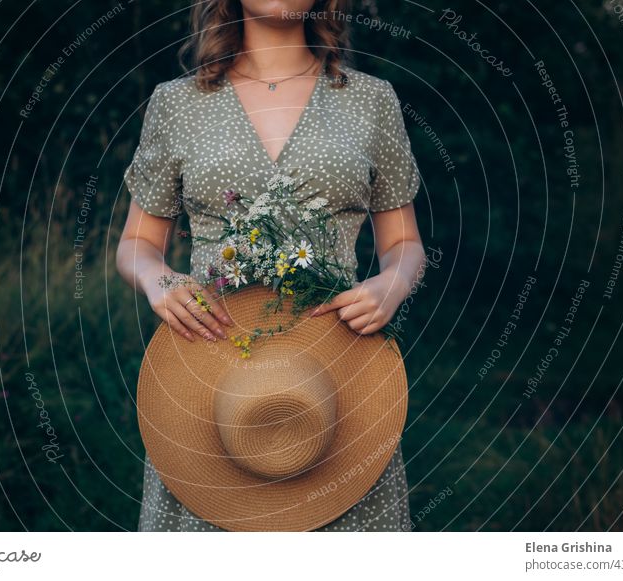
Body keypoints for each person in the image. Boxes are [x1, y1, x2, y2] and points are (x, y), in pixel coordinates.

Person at [116, 0, 427, 531]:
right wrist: (157, 277)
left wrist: (393, 281)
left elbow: (406, 244)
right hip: (212, 380)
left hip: (336, 384)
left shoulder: (372, 100)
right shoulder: (176, 103)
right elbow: (137, 244)